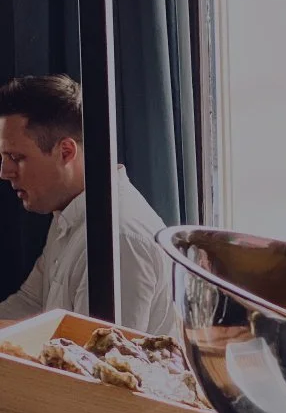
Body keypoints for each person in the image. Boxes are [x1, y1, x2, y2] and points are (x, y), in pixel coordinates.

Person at [0, 74, 175, 336]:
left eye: (16, 157)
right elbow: (31, 305)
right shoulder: (69, 212)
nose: (5, 172)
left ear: (66, 152)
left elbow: (99, 357)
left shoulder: (119, 239)